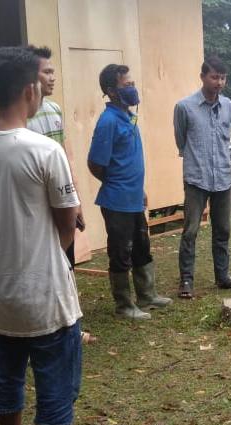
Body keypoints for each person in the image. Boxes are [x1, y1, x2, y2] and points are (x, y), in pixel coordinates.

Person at [0, 47, 82, 425]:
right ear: (30, 90)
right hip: (46, 295)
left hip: (1, 292)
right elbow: (68, 221)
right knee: (55, 387)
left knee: (8, 379)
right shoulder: (44, 150)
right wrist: (51, 256)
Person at [87, 64, 171, 320]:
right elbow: (95, 163)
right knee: (120, 251)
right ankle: (124, 306)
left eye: (133, 84)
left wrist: (138, 189)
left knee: (142, 247)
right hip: (116, 201)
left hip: (134, 198)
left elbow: (128, 160)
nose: (133, 89)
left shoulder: (128, 116)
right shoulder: (108, 121)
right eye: (127, 85)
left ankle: (147, 295)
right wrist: (117, 184)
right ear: (111, 91)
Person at [173, 56, 231, 299]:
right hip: (196, 179)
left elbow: (225, 139)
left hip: (223, 178)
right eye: (214, 77)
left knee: (223, 229)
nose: (219, 82)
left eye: (223, 77)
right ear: (203, 76)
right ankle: (186, 279)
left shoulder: (229, 106)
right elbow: (181, 141)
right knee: (191, 231)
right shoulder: (184, 107)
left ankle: (222, 276)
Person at [26, 45, 85, 268]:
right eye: (46, 72)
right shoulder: (22, 116)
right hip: (38, 203)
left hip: (62, 196)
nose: (52, 78)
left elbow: (64, 156)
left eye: (53, 72)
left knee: (66, 261)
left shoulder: (54, 109)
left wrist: (76, 201)